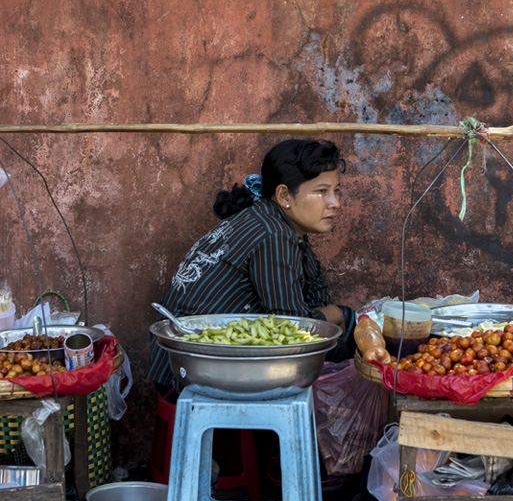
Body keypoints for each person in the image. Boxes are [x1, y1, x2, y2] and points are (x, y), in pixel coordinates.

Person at [147, 138, 357, 391]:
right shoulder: (273, 235)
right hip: (188, 374)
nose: (335, 202)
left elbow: (309, 297)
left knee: (343, 337)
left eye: (336, 190)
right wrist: (337, 315)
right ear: (284, 195)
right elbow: (291, 329)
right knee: (341, 350)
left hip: (183, 364)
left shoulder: (269, 219)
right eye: (322, 191)